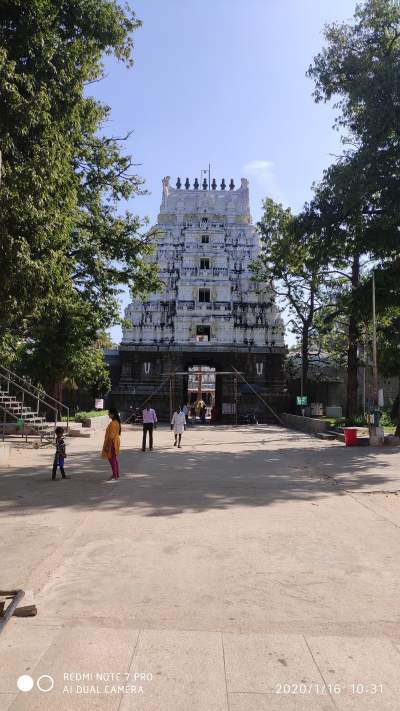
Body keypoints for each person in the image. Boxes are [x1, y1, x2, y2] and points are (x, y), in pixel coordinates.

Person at [102, 408, 121, 481]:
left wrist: (107, 445)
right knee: (114, 458)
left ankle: (115, 474)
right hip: (115, 442)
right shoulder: (116, 422)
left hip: (112, 443)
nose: (108, 415)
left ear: (112, 414)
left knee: (112, 459)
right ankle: (116, 474)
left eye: (109, 413)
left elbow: (111, 436)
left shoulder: (113, 423)